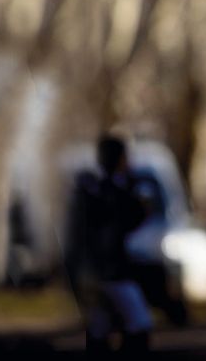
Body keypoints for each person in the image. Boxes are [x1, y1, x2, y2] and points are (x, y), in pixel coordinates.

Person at [65, 134, 154, 356]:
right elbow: (128, 220)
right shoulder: (111, 192)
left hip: (97, 272)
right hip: (112, 272)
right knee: (138, 323)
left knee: (100, 328)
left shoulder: (95, 189)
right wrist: (141, 204)